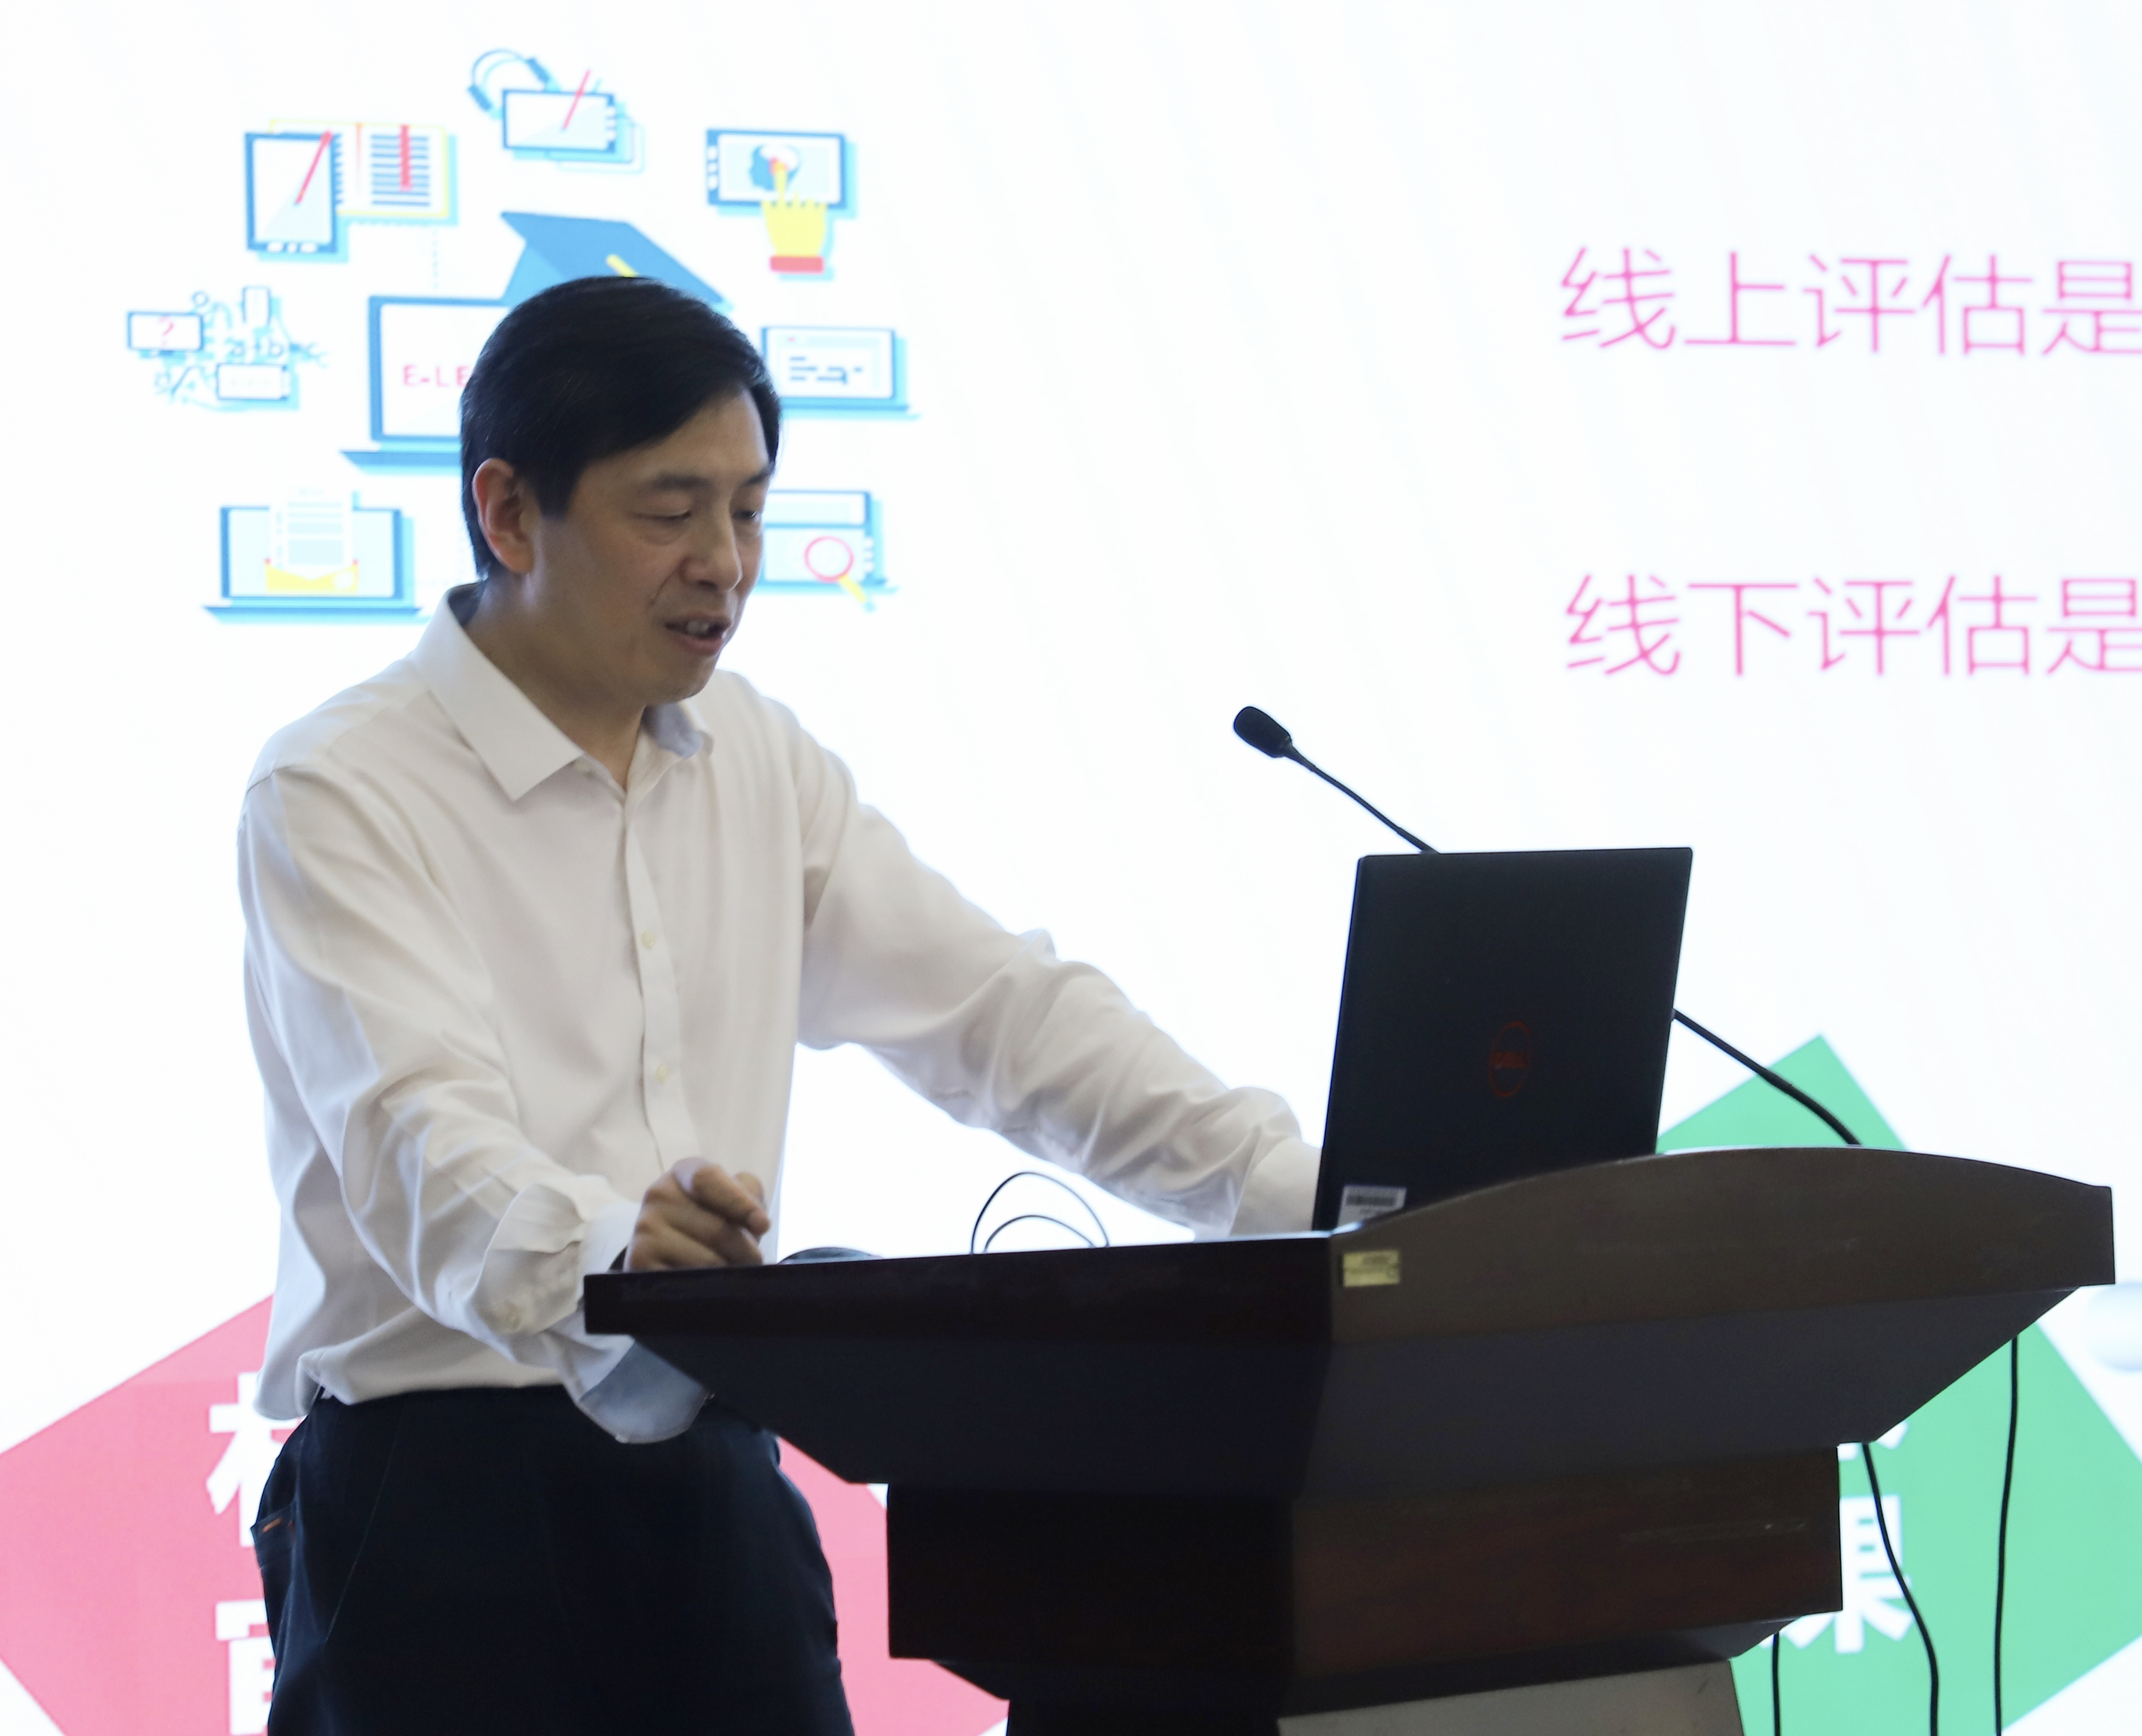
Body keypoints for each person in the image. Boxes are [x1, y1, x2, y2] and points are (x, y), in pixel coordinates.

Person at [238, 274, 1319, 1734]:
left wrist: (1308, 1198)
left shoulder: (752, 755)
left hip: (712, 1476)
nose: (725, 565)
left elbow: (1000, 1016)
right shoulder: (342, 784)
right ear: (509, 512)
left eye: (748, 511)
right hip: (437, 1507)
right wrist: (612, 1258)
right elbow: (414, 1140)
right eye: (670, 511)